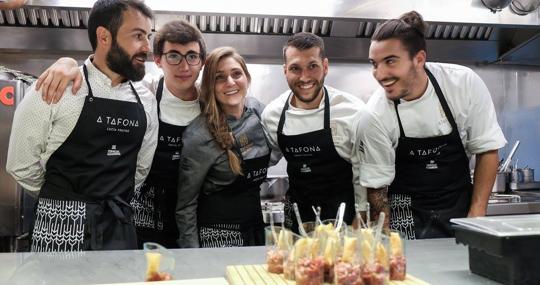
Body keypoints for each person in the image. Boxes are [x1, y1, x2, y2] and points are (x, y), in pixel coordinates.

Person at [33, 20, 206, 248]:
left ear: (202, 62)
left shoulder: (210, 102)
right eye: (173, 56)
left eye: (192, 56)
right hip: (143, 215)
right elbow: (103, 72)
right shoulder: (143, 93)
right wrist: (68, 64)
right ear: (158, 60)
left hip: (193, 215)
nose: (184, 66)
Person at [6, 0, 158, 251]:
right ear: (104, 36)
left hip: (117, 227)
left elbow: (140, 171)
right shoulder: (56, 86)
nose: (147, 47)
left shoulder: (146, 99)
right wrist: (61, 202)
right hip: (59, 225)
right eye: (138, 35)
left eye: (148, 36)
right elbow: (20, 165)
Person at [357, 11, 507, 239]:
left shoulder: (462, 83)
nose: (379, 74)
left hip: (460, 208)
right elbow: (377, 188)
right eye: (374, 64)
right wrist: (385, 239)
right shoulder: (374, 115)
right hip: (405, 214)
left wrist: (476, 216)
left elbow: (487, 149)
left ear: (419, 59)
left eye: (390, 62)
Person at [261, 32, 367, 232]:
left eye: (312, 66)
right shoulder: (273, 114)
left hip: (344, 221)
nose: (304, 77)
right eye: (295, 68)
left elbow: (363, 171)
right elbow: (264, 160)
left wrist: (360, 219)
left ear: (325, 66)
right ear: (285, 71)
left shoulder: (352, 110)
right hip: (298, 222)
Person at [176, 47, 269, 248]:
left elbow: (270, 152)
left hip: (255, 228)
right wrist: (193, 257)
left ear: (247, 77)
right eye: (220, 78)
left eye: (236, 74)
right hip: (218, 236)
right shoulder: (199, 136)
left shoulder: (258, 111)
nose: (230, 82)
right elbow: (185, 205)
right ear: (211, 85)